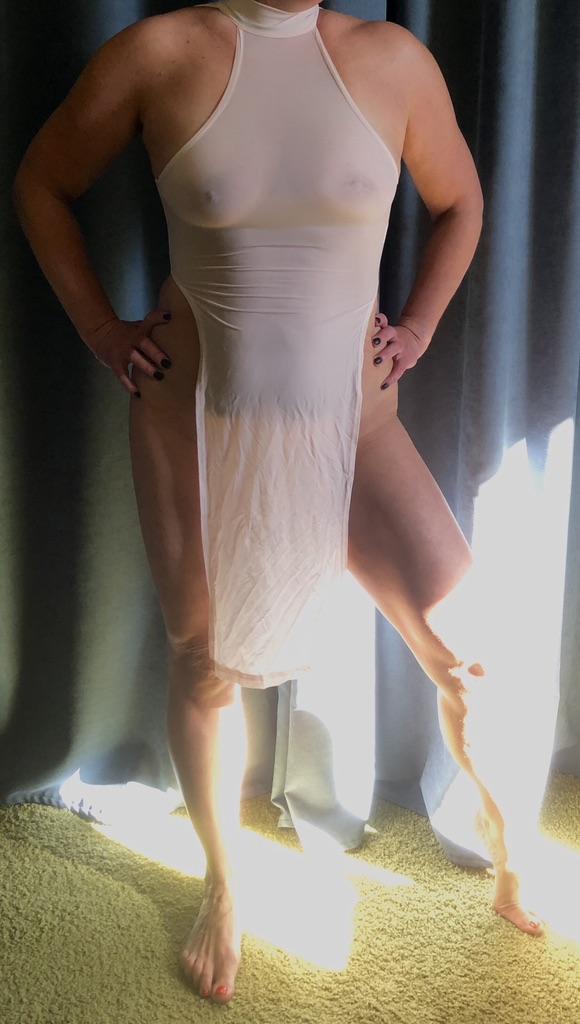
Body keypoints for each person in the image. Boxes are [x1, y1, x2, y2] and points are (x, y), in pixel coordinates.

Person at [12, 0, 545, 1006]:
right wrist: (100, 329)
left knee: (470, 656)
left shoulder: (391, 60)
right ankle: (227, 883)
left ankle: (513, 850)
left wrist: (420, 326)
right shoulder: (158, 53)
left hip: (357, 430)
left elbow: (462, 203)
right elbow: (42, 182)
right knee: (204, 659)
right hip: (193, 422)